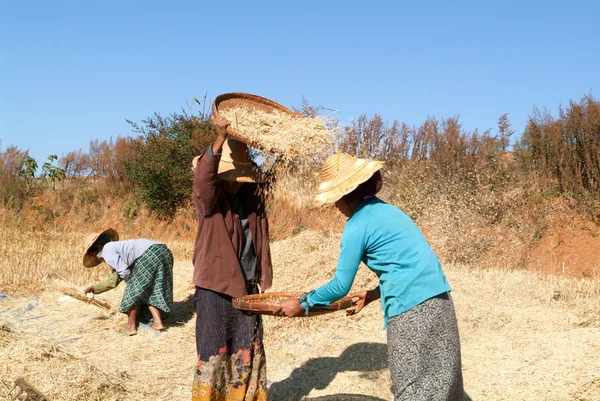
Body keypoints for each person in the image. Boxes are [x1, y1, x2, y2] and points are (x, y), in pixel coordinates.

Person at [276, 153, 464, 401]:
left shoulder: (357, 225)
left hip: (411, 312)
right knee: (442, 379)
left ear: (347, 196)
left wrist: (303, 304)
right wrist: (374, 294)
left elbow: (340, 286)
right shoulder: (390, 211)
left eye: (335, 200)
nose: (335, 206)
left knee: (413, 386)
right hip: (440, 301)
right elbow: (407, 267)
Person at [191, 114, 272, 401]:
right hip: (216, 289)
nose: (236, 183)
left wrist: (272, 147)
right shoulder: (211, 205)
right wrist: (220, 138)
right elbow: (203, 180)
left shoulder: (251, 202)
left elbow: (269, 177)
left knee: (248, 348)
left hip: (248, 287)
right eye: (231, 178)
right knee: (215, 351)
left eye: (241, 178)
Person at [82, 228, 174, 336]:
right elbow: (115, 278)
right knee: (151, 290)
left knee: (132, 294)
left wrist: (131, 287)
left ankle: (130, 327)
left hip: (148, 255)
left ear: (99, 247)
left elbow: (124, 272)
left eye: (95, 255)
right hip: (164, 251)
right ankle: (157, 322)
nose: (99, 259)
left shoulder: (107, 250)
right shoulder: (119, 248)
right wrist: (95, 288)